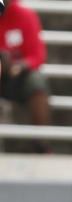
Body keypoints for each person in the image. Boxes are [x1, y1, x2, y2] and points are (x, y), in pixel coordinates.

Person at [0, 0, 50, 153]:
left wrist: (18, 66)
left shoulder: (25, 15)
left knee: (37, 83)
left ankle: (41, 145)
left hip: (18, 76)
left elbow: (38, 56)